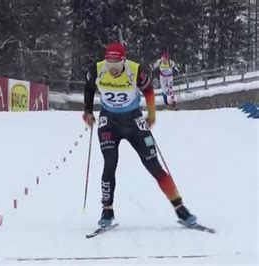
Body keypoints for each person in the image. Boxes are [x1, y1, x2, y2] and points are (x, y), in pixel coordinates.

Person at [82, 42, 196, 228]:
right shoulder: (97, 70)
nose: (113, 69)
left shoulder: (134, 69)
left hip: (133, 120)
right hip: (109, 121)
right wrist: (87, 111)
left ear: (124, 61)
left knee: (153, 164)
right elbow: (88, 88)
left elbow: (149, 90)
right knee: (110, 163)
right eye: (109, 65)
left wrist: (151, 114)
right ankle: (107, 210)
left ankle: (180, 208)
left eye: (117, 65)